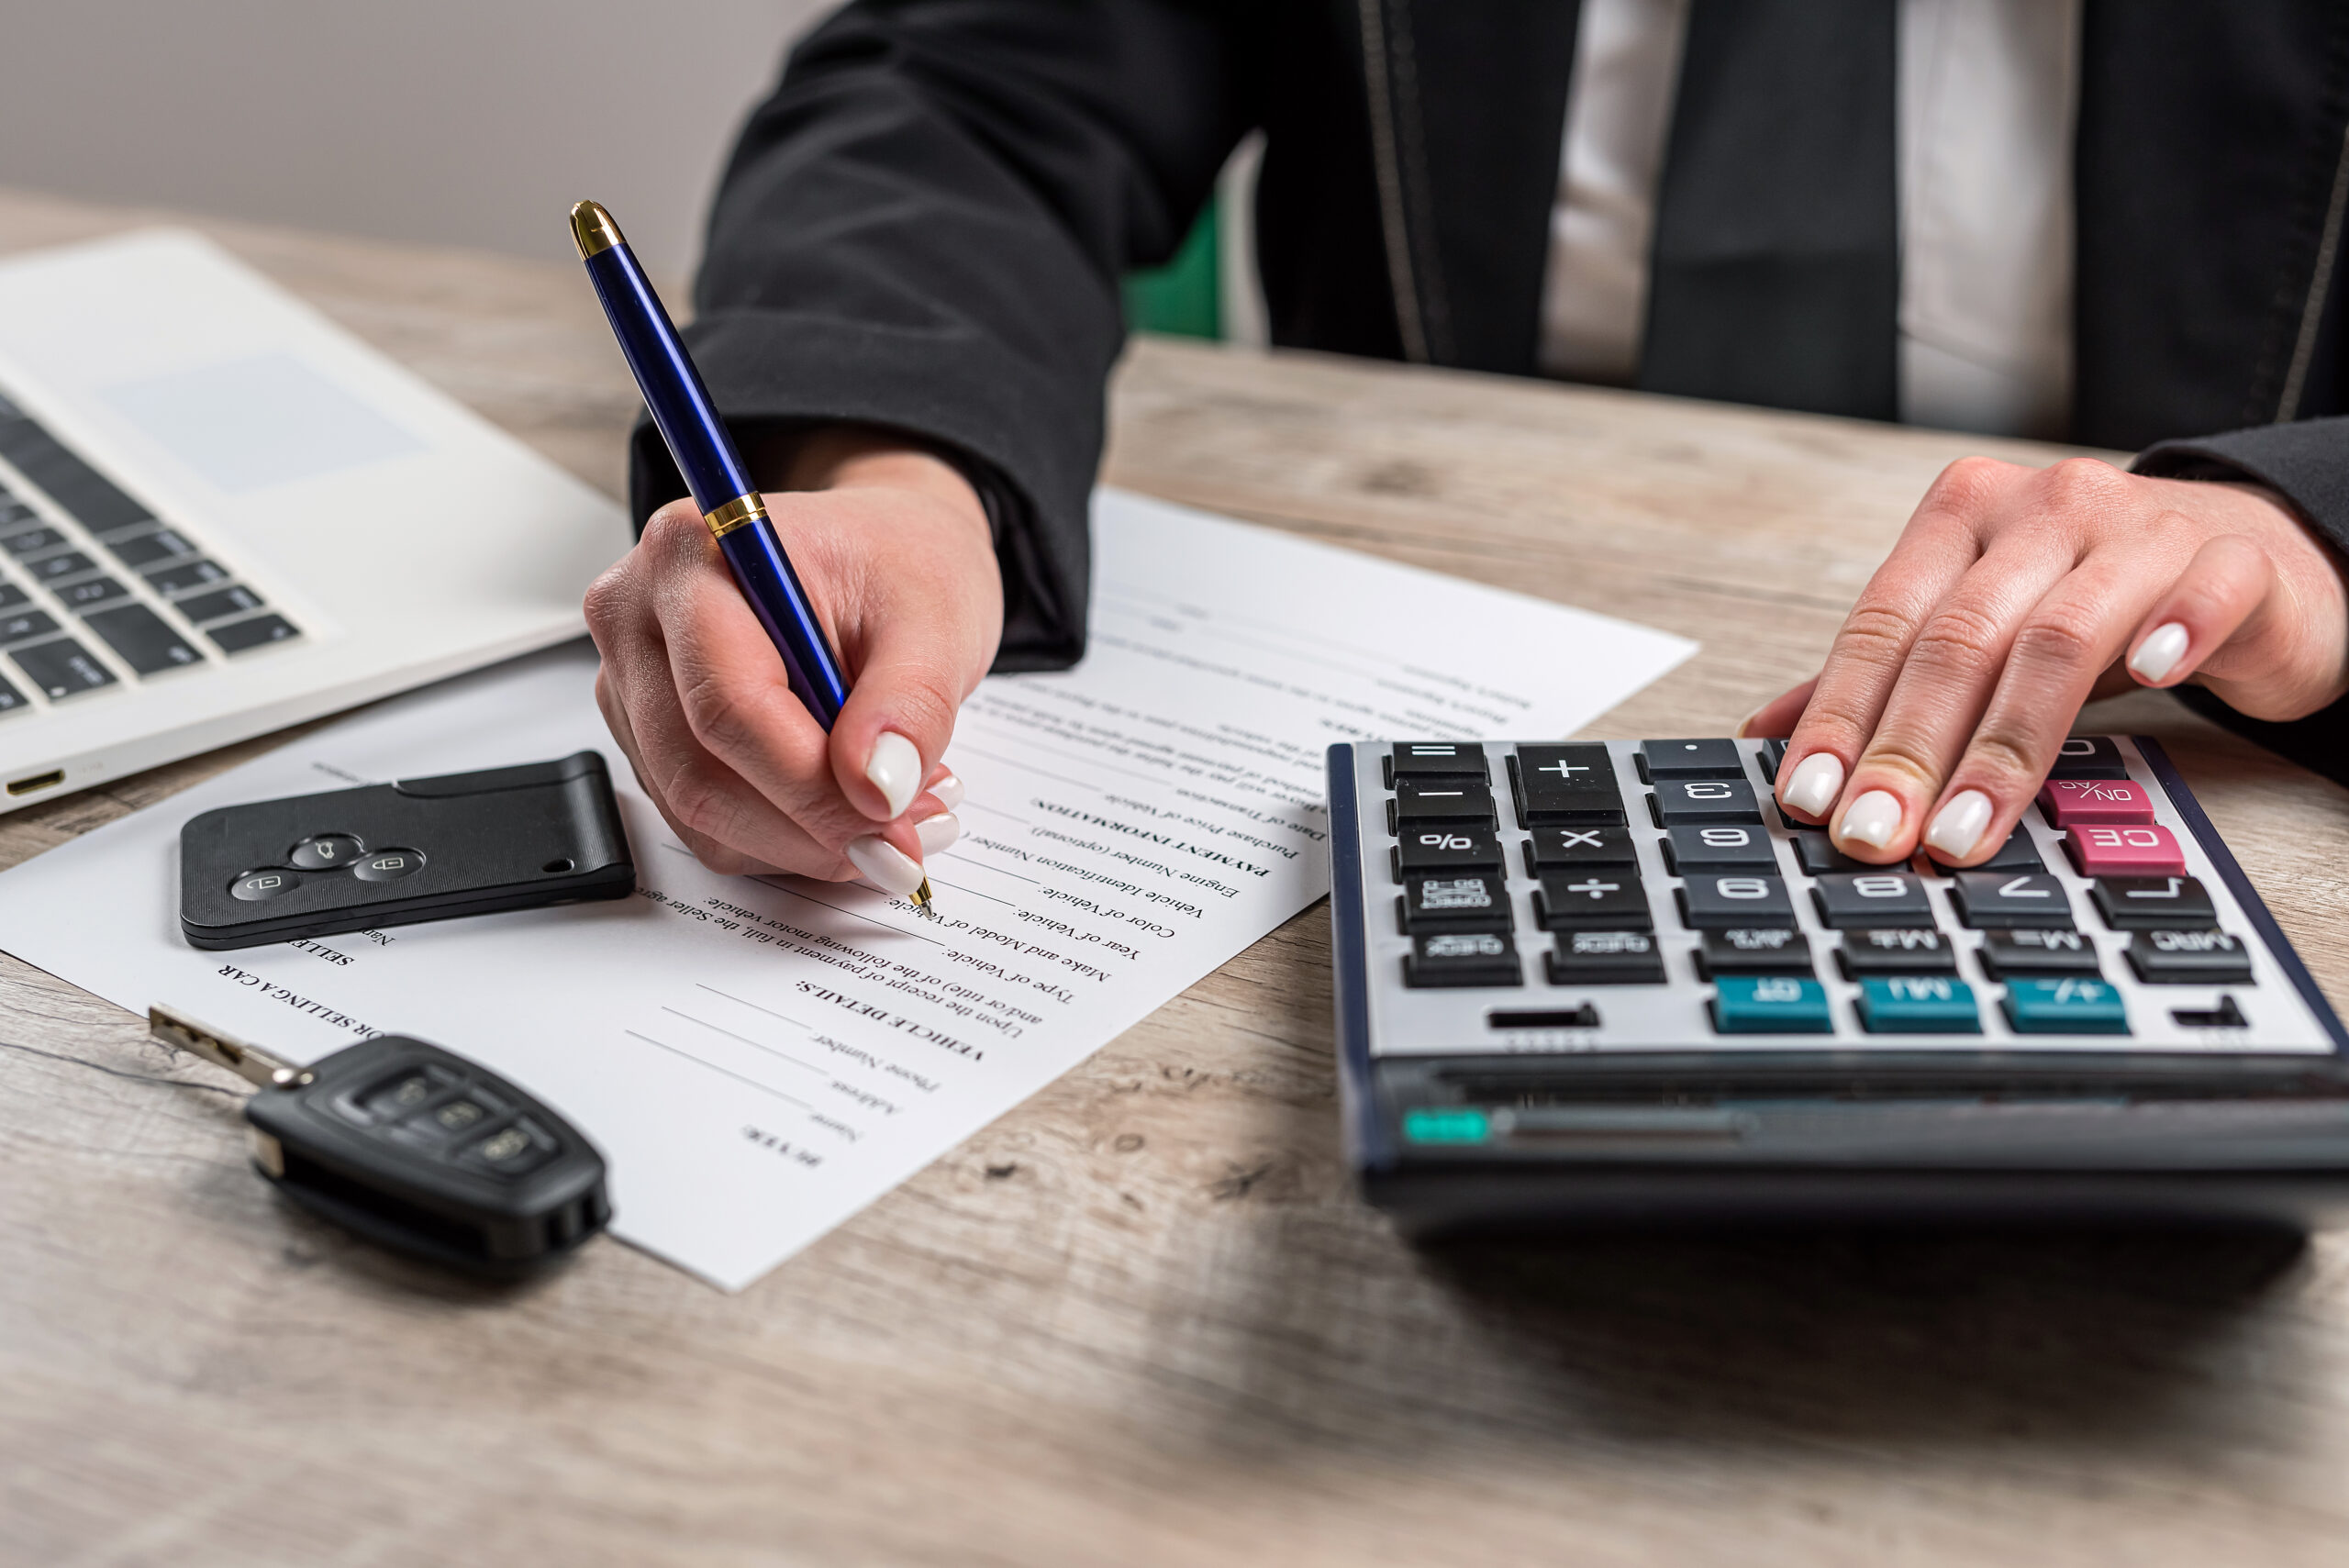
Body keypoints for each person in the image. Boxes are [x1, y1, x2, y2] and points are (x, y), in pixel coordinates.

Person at [584, 0, 2349, 893]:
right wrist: (897, 461)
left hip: (2173, 713)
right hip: (1419, 620)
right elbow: (971, 81)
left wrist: (2312, 527)